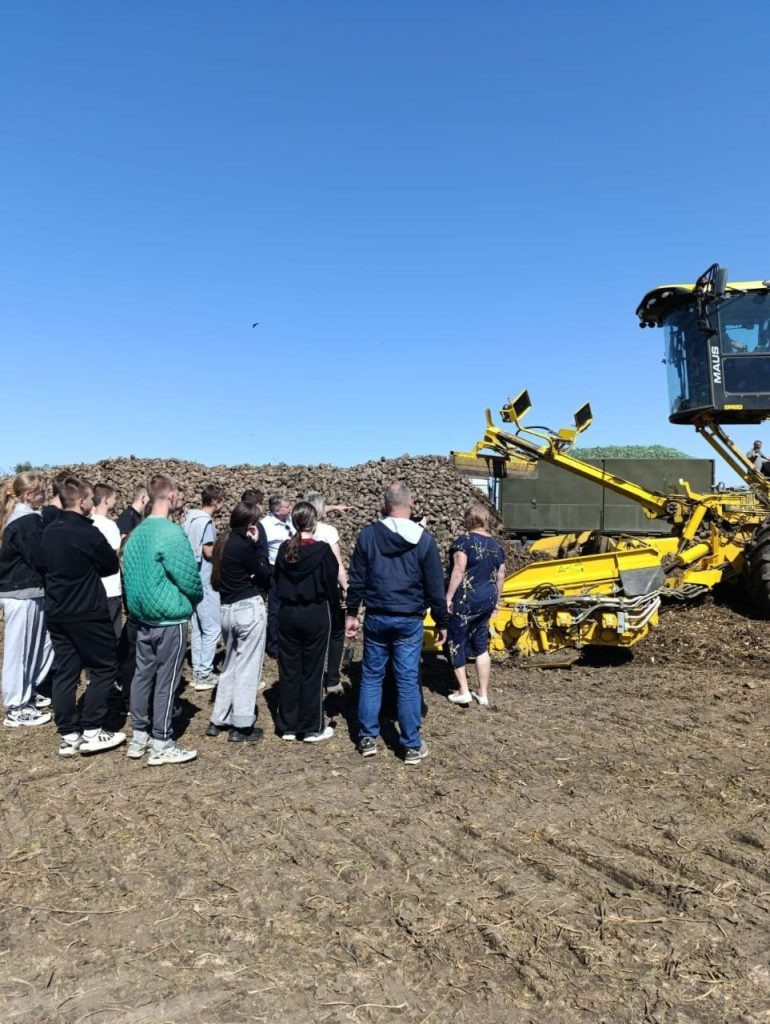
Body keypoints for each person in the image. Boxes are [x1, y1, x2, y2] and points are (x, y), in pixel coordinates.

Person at [345, 482, 448, 765]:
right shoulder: (424, 540)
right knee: (407, 679)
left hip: (377, 615)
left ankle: (367, 737)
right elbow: (435, 586)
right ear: (411, 504)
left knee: (370, 676)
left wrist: (352, 614)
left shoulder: (368, 535)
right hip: (409, 618)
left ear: (384, 504)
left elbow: (357, 579)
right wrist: (441, 620)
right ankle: (411, 745)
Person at [42, 475, 126, 757]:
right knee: (104, 666)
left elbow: (41, 566)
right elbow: (111, 565)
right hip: (87, 611)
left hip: (56, 610)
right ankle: (91, 730)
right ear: (81, 502)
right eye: (90, 498)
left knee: (65, 671)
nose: (92, 502)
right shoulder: (87, 532)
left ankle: (68, 734)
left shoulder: (48, 530)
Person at [123, 475, 203, 765]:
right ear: (170, 496)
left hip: (142, 618)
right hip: (169, 620)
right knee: (167, 681)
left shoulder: (137, 533)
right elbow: (189, 579)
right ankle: (162, 741)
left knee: (142, 676)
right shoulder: (171, 533)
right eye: (178, 492)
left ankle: (139, 736)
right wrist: (191, 601)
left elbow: (128, 575)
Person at [273, 501, 339, 742]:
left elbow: (276, 582)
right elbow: (331, 583)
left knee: (289, 670)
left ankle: (288, 725)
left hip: (288, 613)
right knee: (313, 671)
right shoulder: (322, 551)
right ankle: (311, 726)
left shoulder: (283, 550)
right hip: (315, 613)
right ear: (314, 522)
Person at [207, 502, 272, 743]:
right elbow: (264, 573)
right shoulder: (244, 545)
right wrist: (258, 547)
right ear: (250, 524)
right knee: (248, 666)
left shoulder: (222, 544)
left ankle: (218, 718)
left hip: (226, 609)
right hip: (247, 608)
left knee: (230, 664)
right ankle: (242, 723)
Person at [0, 471, 54, 727]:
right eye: (42, 491)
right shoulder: (27, 521)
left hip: (23, 591)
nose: (45, 496)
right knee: (20, 650)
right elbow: (39, 557)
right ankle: (16, 706)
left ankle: (26, 694)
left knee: (32, 647)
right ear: (30, 495)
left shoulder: (15, 517)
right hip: (22, 593)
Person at [445, 502, 506, 707]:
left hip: (466, 598)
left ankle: (463, 691)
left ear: (468, 520)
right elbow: (501, 575)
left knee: (456, 641)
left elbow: (459, 570)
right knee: (481, 644)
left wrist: (448, 597)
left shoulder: (464, 541)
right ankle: (483, 693)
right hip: (487, 598)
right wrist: (496, 601)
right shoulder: (497, 545)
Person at [305, 492, 348, 693]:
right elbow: (337, 564)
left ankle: (311, 676)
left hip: (306, 589)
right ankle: (332, 679)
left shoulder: (296, 529)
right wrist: (347, 588)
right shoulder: (329, 531)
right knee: (336, 632)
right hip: (327, 589)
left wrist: (333, 506)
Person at [182, 484, 224, 690]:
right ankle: (204, 673)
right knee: (212, 627)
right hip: (205, 578)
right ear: (215, 501)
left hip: (191, 578)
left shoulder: (189, 518)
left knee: (197, 625)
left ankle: (199, 668)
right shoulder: (205, 521)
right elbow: (208, 551)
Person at [262, 494, 295, 658]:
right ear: (276, 510)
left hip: (291, 567)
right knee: (275, 607)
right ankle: (273, 645)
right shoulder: (265, 525)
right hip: (275, 568)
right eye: (287, 506)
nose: (290, 509)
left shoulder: (289, 521)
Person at [90, 483, 123, 639]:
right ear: (105, 499)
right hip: (110, 588)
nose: (116, 501)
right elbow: (115, 556)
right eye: (114, 497)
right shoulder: (110, 526)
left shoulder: (87, 523)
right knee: (112, 635)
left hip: (93, 589)